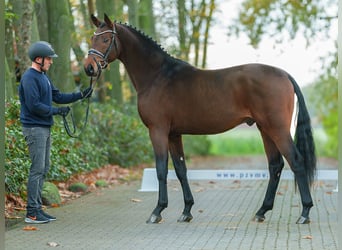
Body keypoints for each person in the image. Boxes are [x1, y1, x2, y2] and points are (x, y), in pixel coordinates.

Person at [18, 41, 92, 224]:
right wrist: (57, 111)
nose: (51, 62)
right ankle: (32, 213)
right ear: (39, 59)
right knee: (37, 170)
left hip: (44, 127)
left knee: (44, 168)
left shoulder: (44, 77)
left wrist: (80, 95)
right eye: (49, 59)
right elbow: (34, 106)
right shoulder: (29, 78)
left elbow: (57, 96)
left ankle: (37, 209)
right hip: (34, 128)